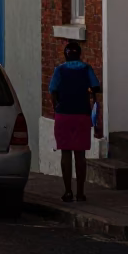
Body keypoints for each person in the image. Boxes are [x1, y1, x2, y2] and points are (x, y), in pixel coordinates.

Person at [49, 41, 102, 202]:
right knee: (80, 155)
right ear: (79, 54)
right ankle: (80, 192)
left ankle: (67, 191)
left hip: (63, 115)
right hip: (82, 115)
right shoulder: (86, 69)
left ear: (65, 55)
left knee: (65, 152)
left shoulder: (59, 70)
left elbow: (52, 90)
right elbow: (95, 88)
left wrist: (56, 107)